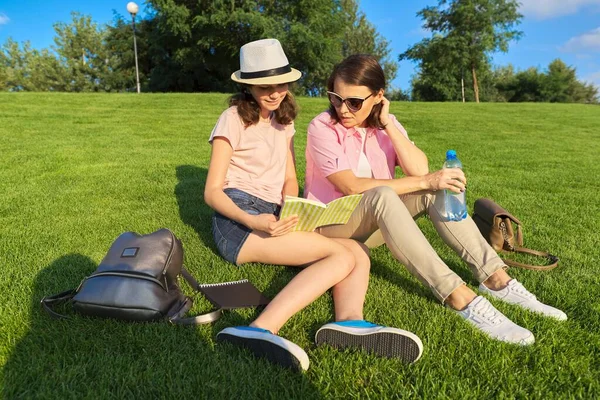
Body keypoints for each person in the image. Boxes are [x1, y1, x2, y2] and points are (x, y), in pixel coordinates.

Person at [304, 54, 567, 346]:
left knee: (434, 190)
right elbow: (351, 186)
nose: (343, 109)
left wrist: (388, 123)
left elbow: (418, 169)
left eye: (354, 102)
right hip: (331, 224)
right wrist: (425, 180)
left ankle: (495, 278)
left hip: (373, 224)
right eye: (336, 98)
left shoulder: (382, 124)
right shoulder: (322, 127)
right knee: (386, 194)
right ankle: (459, 296)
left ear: (378, 96)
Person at [204, 40, 423, 372]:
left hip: (277, 212)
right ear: (248, 85)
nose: (274, 92)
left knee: (356, 250)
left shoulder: (284, 120)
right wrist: (254, 221)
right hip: (238, 219)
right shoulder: (232, 117)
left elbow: (290, 177)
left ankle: (349, 322)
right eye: (264, 85)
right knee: (339, 254)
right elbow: (212, 192)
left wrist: (293, 209)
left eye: (280, 83)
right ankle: (258, 329)